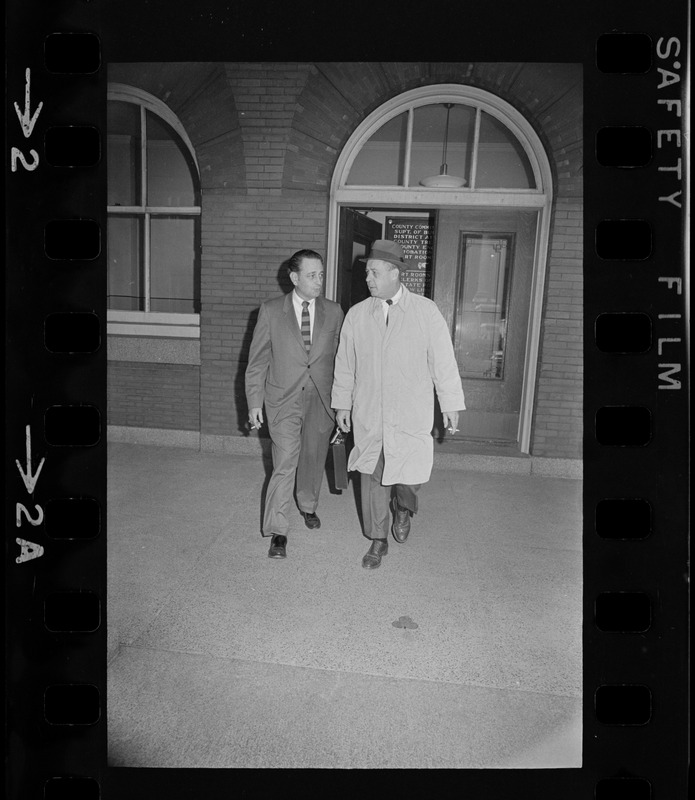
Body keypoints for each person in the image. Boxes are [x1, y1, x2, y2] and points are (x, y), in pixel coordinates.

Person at [331, 239, 465, 569]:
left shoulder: (425, 311)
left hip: (410, 412)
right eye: (367, 273)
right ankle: (378, 540)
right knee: (373, 475)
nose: (368, 279)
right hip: (370, 411)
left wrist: (450, 403)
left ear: (394, 273)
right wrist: (342, 405)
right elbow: (345, 364)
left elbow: (443, 361)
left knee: (408, 476)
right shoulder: (357, 315)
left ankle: (403, 509)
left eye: (374, 272)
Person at [246, 249, 344, 559]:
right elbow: (257, 361)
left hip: (321, 398)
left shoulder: (335, 311)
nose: (319, 281)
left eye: (321, 275)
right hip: (282, 398)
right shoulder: (271, 310)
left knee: (313, 458)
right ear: (294, 277)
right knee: (285, 460)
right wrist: (254, 402)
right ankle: (278, 530)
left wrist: (345, 404)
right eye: (312, 275)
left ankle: (308, 505)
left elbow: (343, 362)